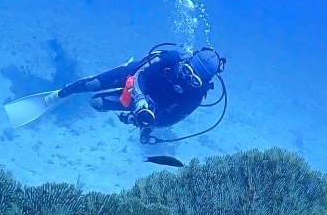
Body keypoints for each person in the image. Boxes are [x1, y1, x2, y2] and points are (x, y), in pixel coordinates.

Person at [58, 45, 226, 144]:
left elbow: (170, 119)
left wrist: (139, 119)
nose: (186, 78)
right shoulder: (172, 58)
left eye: (194, 80)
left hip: (145, 106)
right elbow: (141, 74)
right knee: (93, 84)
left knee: (97, 103)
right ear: (186, 61)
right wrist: (140, 98)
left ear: (202, 83)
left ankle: (68, 96)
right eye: (187, 71)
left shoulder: (196, 95)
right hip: (135, 80)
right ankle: (62, 93)